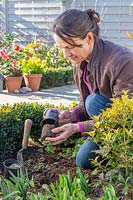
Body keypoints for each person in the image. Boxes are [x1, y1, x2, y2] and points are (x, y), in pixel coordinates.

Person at [44, 9, 133, 169]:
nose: (66, 55)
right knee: (84, 161)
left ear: (89, 38)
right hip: (107, 121)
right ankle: (111, 144)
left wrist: (78, 128)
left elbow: (124, 116)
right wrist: (71, 115)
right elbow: (83, 104)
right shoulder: (80, 62)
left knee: (93, 102)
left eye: (70, 47)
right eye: (61, 48)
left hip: (125, 124)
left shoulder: (122, 62)